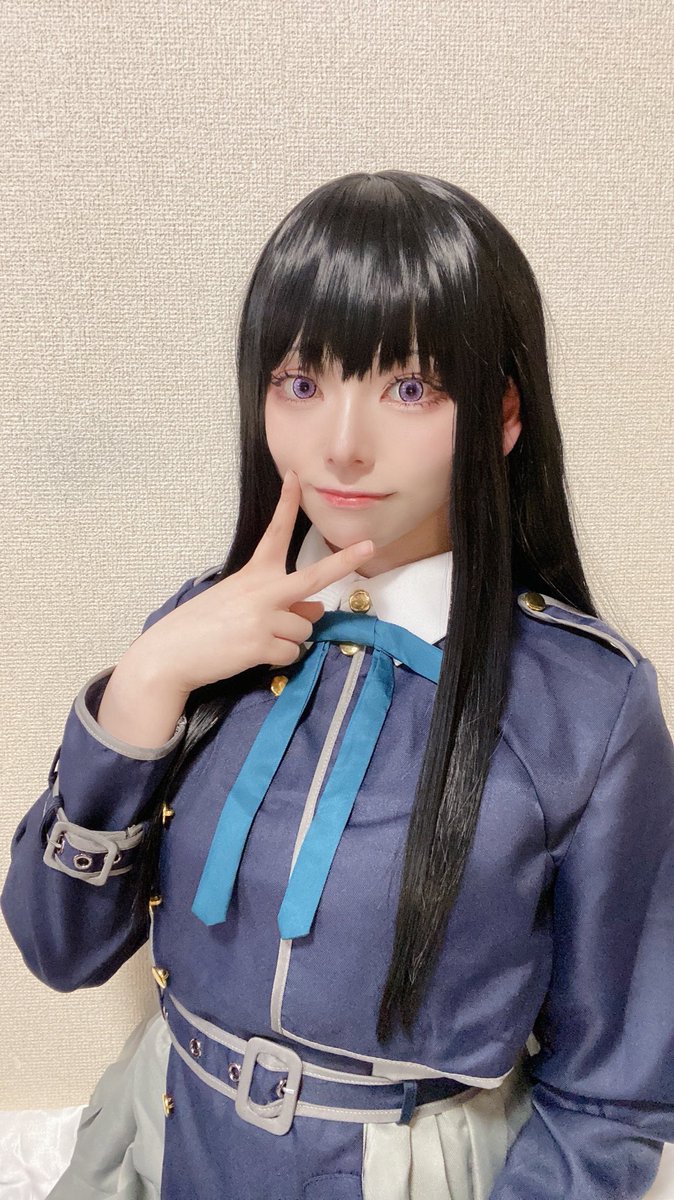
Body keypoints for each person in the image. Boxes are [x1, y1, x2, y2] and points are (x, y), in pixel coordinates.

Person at [2, 169, 673, 1200]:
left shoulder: (586, 707)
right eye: (300, 383)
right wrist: (142, 686)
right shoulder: (204, 633)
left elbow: (613, 1095)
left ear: (501, 412)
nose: (341, 445)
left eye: (409, 388)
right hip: (164, 1141)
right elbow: (59, 949)